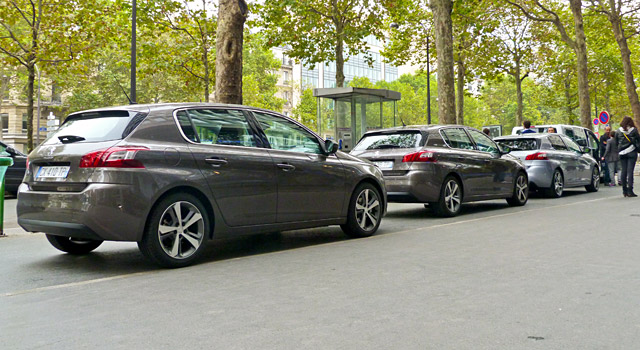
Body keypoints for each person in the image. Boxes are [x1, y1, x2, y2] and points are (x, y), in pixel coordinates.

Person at [615, 116, 640, 197]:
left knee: (623, 171)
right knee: (630, 172)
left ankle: (624, 191)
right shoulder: (634, 130)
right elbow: (638, 140)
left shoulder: (618, 131)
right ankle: (630, 191)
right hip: (632, 152)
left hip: (622, 153)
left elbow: (616, 142)